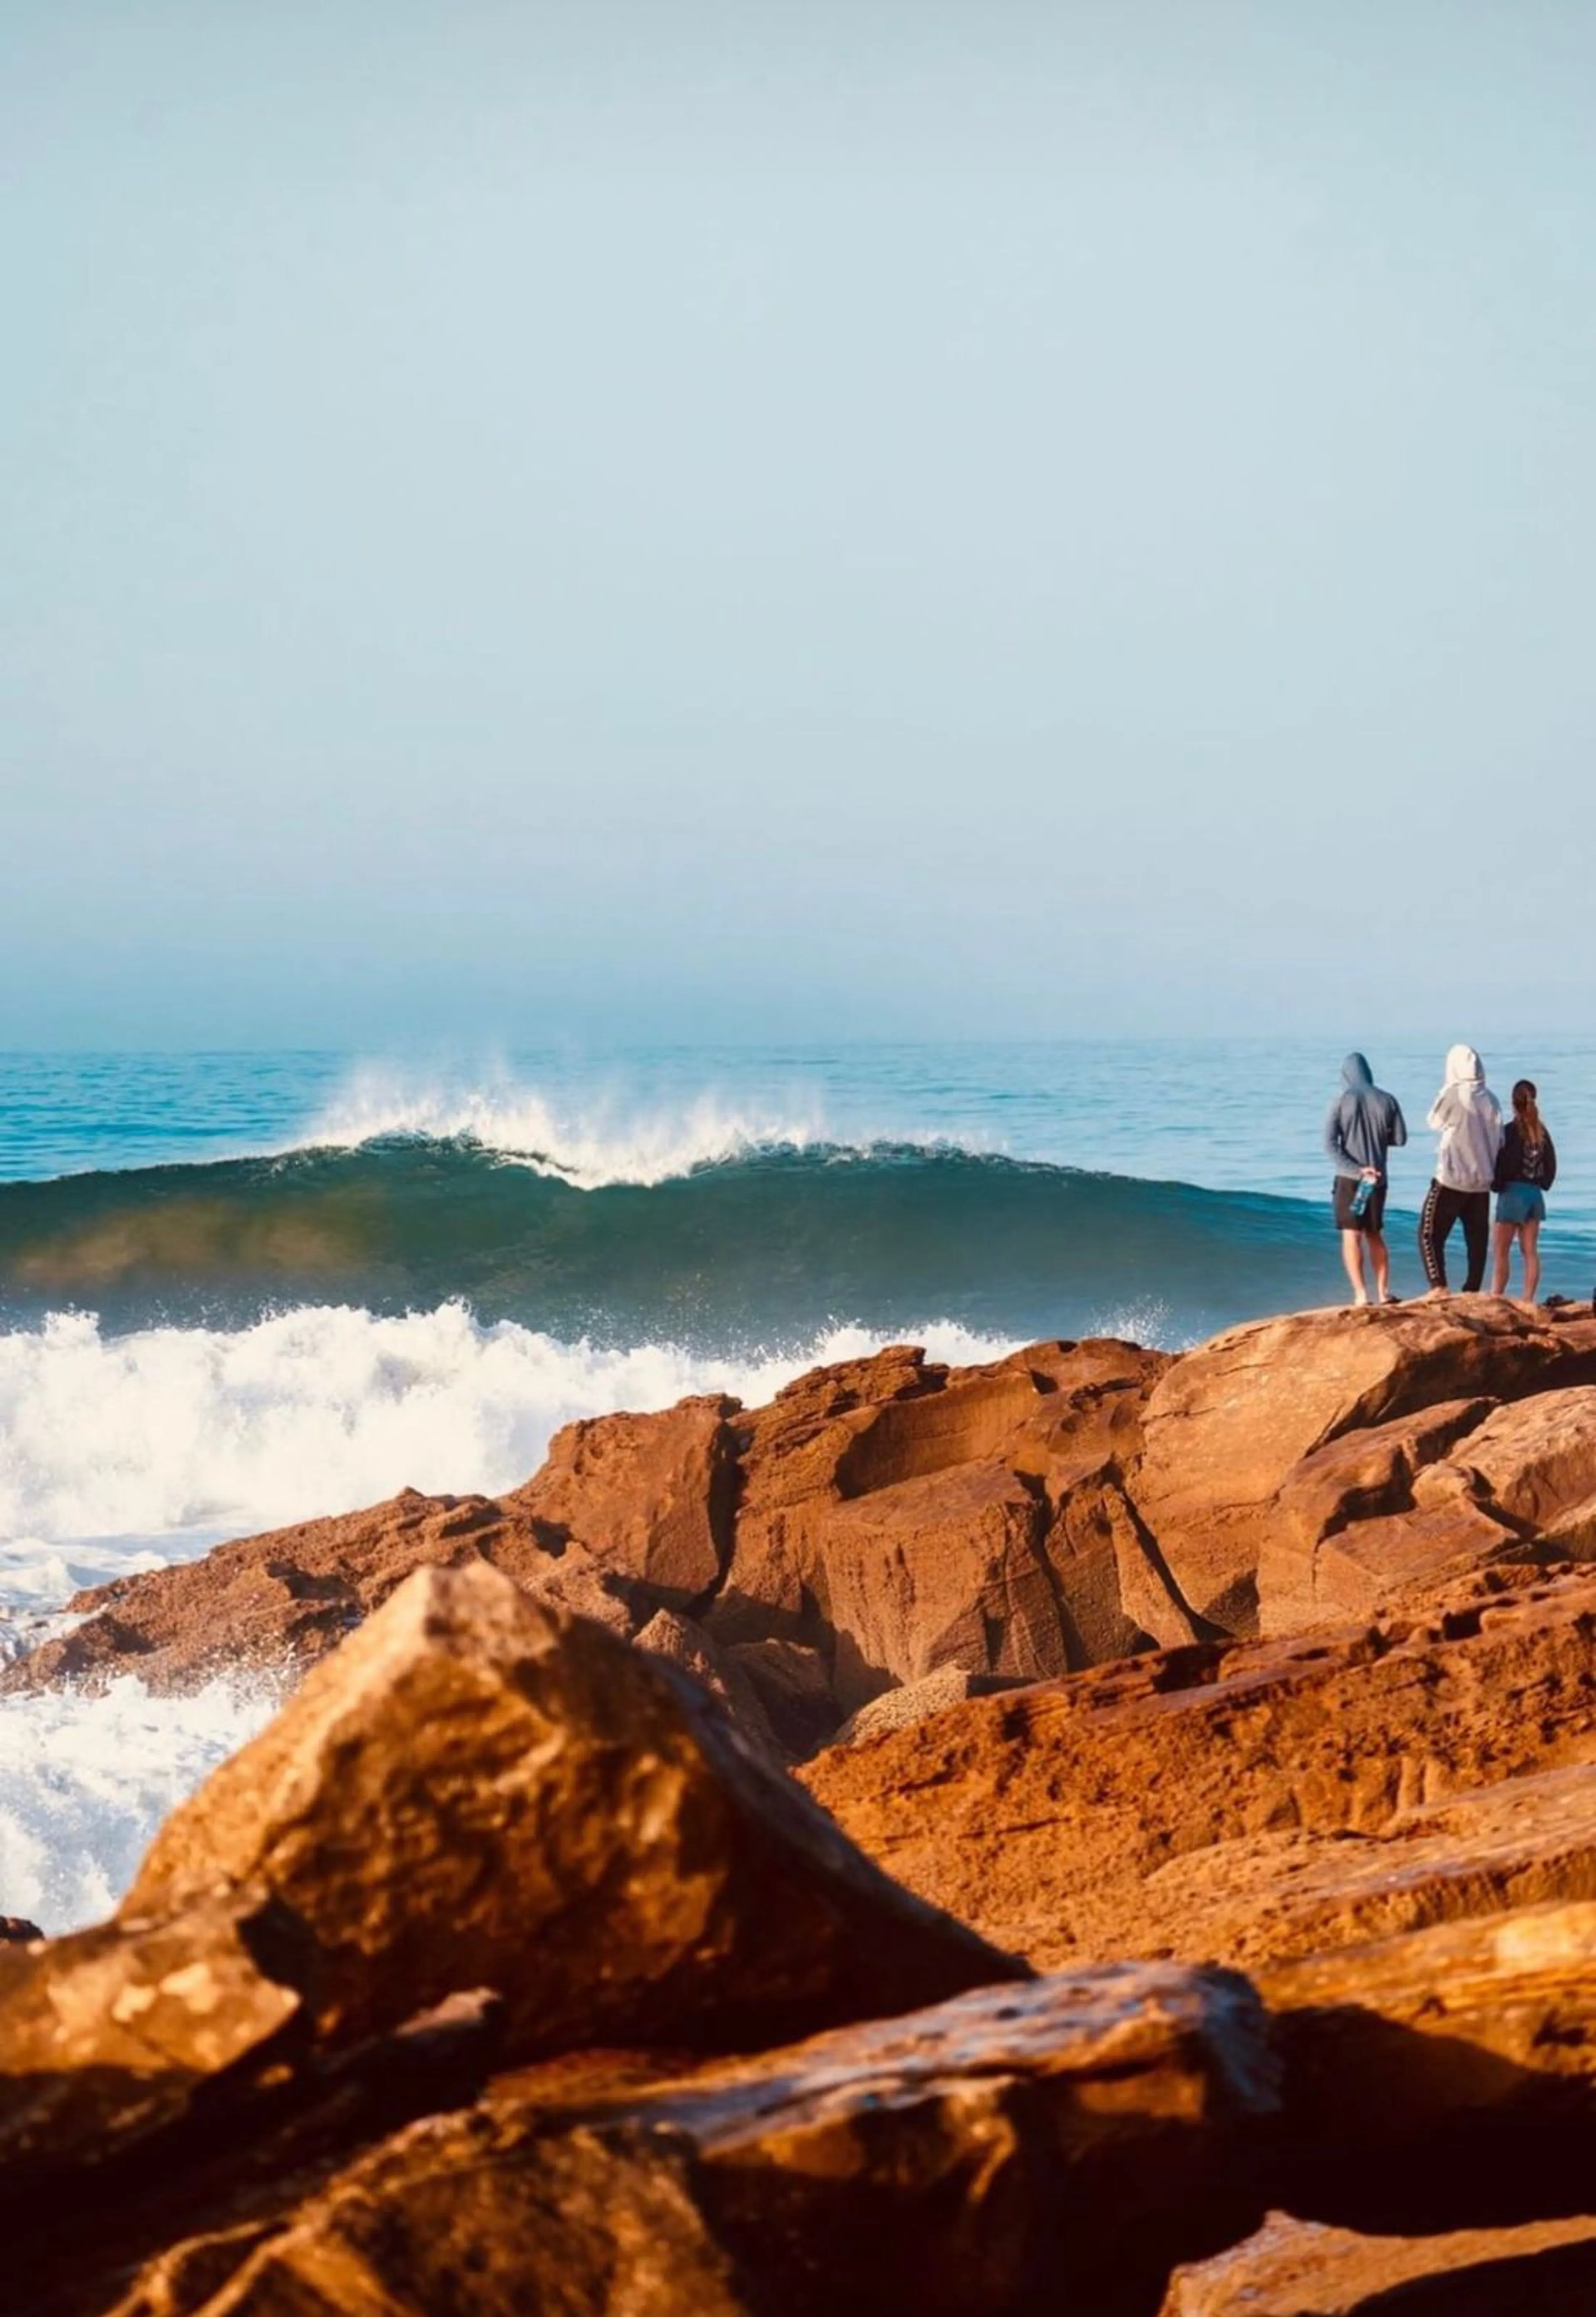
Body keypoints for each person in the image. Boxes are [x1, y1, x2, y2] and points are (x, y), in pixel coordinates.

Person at [1324, 1052, 1407, 1305]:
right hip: (1377, 1180)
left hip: (1351, 1180)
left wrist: (1357, 1169)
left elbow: (1330, 1144)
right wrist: (1378, 1141)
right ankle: (1383, 1293)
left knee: (1351, 1235)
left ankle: (1361, 1295)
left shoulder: (1341, 1102)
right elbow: (1401, 1140)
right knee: (1374, 1233)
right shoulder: (1388, 1100)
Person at [1419, 1045, 1503, 1294]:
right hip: (1482, 1182)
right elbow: (1500, 1140)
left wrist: (1446, 1089)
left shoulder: (1454, 1094)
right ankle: (1472, 1289)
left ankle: (1439, 1288)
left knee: (1429, 1235)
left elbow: (1433, 1121)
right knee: (1476, 1243)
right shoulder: (1492, 1098)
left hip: (1452, 1178)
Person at [1491, 1078, 1556, 1303]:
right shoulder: (1541, 1132)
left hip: (1512, 1194)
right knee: (1530, 1251)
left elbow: (1501, 1164)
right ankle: (1528, 1299)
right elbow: (1552, 1165)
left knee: (1501, 1251)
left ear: (1513, 1103)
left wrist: (1496, 1185)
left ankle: (1497, 1296)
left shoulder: (1509, 1131)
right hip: (1535, 1196)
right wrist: (1543, 1183)